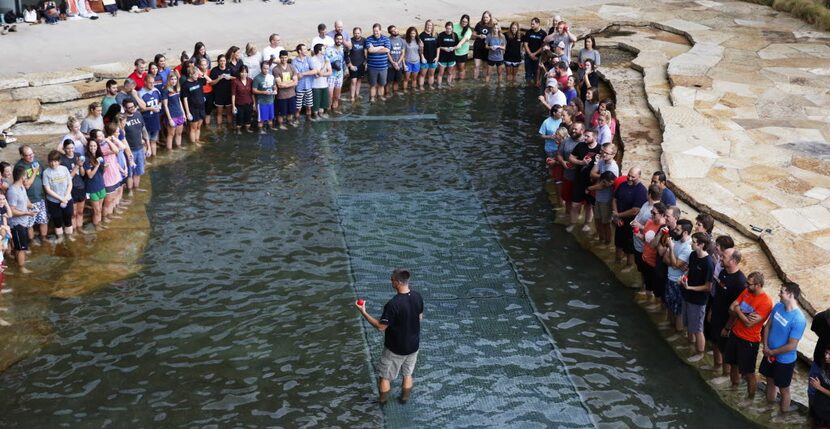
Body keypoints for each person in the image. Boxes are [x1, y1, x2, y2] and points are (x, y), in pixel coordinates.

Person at [356, 268, 424, 405]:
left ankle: (382, 401)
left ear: (398, 282)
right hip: (413, 346)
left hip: (395, 349)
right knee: (407, 374)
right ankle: (404, 399)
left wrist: (363, 312)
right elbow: (419, 317)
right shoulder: (417, 296)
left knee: (384, 377)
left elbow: (381, 327)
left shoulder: (393, 304)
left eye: (392, 279)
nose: (390, 281)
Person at [725, 271, 774, 400]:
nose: (746, 286)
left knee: (749, 373)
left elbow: (748, 324)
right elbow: (731, 308)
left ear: (758, 285)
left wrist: (738, 310)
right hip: (735, 334)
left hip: (749, 340)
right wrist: (742, 314)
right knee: (733, 364)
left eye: (749, 284)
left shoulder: (766, 302)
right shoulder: (747, 292)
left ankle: (750, 398)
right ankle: (733, 388)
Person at [761, 282, 806, 414]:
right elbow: (768, 326)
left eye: (782, 292)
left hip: (785, 360)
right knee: (769, 381)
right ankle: (769, 407)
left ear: (790, 295)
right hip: (769, 353)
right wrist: (765, 347)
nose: (779, 294)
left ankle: (783, 413)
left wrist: (772, 352)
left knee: (784, 389)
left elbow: (792, 345)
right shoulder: (778, 306)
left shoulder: (799, 319)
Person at [681, 232, 714, 362]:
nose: (691, 243)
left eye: (693, 242)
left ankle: (700, 353)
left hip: (698, 300)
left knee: (698, 328)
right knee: (689, 323)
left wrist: (690, 288)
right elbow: (689, 270)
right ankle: (691, 345)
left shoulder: (708, 263)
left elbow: (708, 287)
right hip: (687, 294)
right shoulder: (693, 255)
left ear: (701, 245)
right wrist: (684, 278)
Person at [612, 167, 647, 270]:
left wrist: (619, 215)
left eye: (633, 177)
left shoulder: (641, 190)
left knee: (629, 247)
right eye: (629, 175)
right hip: (620, 219)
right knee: (618, 242)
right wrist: (616, 214)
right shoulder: (623, 184)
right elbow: (614, 198)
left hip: (631, 222)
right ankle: (617, 259)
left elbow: (635, 210)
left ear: (639, 177)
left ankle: (629, 265)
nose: (630, 178)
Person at [568, 129, 600, 231]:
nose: (584, 138)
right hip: (579, 179)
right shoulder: (580, 146)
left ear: (594, 137)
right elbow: (571, 157)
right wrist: (581, 162)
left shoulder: (600, 149)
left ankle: (586, 223)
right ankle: (573, 223)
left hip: (592, 182)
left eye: (587, 136)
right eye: (584, 136)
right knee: (574, 204)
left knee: (589, 205)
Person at [15, 146, 47, 245]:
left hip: (40, 197)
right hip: (28, 200)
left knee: (43, 220)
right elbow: (27, 185)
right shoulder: (20, 167)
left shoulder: (36, 162)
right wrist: (34, 171)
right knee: (30, 223)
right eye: (28, 155)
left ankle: (44, 240)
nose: (31, 156)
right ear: (22, 155)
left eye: (32, 154)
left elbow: (43, 177)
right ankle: (32, 242)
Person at [589, 143, 619, 246]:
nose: (604, 155)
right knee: (597, 219)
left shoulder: (613, 168)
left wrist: (589, 188)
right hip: (599, 197)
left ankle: (607, 242)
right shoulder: (602, 161)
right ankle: (601, 238)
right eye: (603, 152)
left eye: (607, 153)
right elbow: (592, 173)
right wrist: (602, 177)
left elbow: (603, 185)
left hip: (606, 199)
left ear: (613, 154)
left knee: (605, 222)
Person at [42, 149, 74, 242]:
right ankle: (60, 238)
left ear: (59, 161)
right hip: (53, 201)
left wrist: (67, 195)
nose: (53, 163)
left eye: (55, 161)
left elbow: (70, 183)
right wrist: (60, 198)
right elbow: (47, 190)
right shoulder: (46, 172)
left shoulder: (64, 169)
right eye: (51, 161)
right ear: (49, 161)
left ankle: (69, 237)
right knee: (57, 221)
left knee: (68, 219)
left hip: (67, 199)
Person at [7, 165, 34, 273]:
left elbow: (27, 201)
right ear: (22, 177)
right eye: (26, 176)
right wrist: (26, 213)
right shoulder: (13, 191)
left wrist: (32, 207)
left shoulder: (22, 187)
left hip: (23, 222)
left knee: (21, 247)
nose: (27, 178)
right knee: (20, 248)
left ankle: (19, 262)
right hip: (17, 224)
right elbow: (12, 211)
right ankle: (21, 268)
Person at [122, 99, 148, 193]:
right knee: (130, 173)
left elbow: (143, 129)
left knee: (138, 171)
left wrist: (147, 145)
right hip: (129, 150)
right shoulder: (122, 119)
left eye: (133, 107)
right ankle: (130, 192)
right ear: (124, 108)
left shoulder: (138, 114)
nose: (132, 109)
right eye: (129, 108)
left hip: (140, 147)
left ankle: (136, 189)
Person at [59, 139, 85, 232]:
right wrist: (77, 165)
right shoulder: (62, 161)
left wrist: (81, 166)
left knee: (80, 212)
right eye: (68, 148)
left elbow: (82, 174)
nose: (70, 150)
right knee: (73, 213)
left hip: (81, 187)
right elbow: (68, 178)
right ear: (64, 149)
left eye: (72, 148)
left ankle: (80, 229)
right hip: (70, 189)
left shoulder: (78, 155)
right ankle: (74, 231)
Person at [137, 74, 162, 158]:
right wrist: (151, 109)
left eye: (153, 82)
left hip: (155, 120)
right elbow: (139, 109)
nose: (152, 84)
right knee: (145, 141)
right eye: (150, 83)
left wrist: (159, 106)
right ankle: (146, 161)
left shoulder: (156, 91)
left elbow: (160, 101)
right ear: (145, 83)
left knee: (153, 140)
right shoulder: (140, 93)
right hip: (145, 121)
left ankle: (154, 158)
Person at [83, 138, 106, 230]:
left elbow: (102, 172)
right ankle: (97, 227)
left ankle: (98, 225)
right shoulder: (86, 158)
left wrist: (104, 166)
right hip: (91, 188)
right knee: (96, 210)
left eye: (95, 145)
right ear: (88, 147)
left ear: (97, 147)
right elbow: (90, 175)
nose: (93, 147)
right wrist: (97, 165)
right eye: (91, 146)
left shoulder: (100, 156)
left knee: (99, 209)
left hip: (101, 185)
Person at [180, 66, 206, 145]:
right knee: (193, 128)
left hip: (201, 107)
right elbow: (185, 99)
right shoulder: (185, 85)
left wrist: (200, 73)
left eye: (197, 75)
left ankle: (197, 140)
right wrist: (187, 112)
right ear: (190, 74)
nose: (197, 76)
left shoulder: (199, 81)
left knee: (198, 126)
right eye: (195, 75)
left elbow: (205, 80)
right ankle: (193, 143)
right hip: (192, 109)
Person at [209, 55, 236, 130]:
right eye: (221, 61)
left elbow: (237, 78)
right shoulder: (214, 70)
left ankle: (230, 126)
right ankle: (219, 128)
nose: (222, 62)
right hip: (218, 95)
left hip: (228, 94)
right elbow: (211, 83)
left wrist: (230, 77)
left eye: (224, 61)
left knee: (229, 113)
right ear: (218, 62)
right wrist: (219, 78)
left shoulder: (229, 69)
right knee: (219, 113)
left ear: (226, 61)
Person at [366, 23, 391, 102]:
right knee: (372, 85)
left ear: (380, 30)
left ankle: (380, 97)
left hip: (383, 67)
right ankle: (372, 98)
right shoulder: (369, 39)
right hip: (372, 67)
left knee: (382, 84)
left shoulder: (386, 39)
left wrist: (374, 49)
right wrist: (380, 47)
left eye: (377, 31)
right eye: (374, 31)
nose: (375, 33)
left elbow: (387, 50)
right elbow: (370, 50)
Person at [274, 50, 299, 129]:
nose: (284, 59)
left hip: (291, 94)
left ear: (288, 57)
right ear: (279, 58)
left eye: (285, 57)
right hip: (281, 96)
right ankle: (281, 125)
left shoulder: (291, 67)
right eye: (282, 58)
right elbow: (280, 85)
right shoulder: (276, 69)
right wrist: (291, 81)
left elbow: (296, 82)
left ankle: (290, 122)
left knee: (291, 111)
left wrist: (286, 83)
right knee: (281, 113)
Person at [161, 73, 186, 149]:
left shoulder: (177, 88)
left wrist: (184, 114)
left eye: (175, 79)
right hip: (172, 115)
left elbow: (179, 101)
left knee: (179, 133)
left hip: (179, 114)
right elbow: (165, 105)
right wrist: (169, 119)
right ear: (168, 80)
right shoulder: (166, 90)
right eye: (172, 79)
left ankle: (179, 146)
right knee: (171, 134)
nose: (174, 81)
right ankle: (170, 150)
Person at [293, 44, 316, 122]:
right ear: (300, 51)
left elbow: (315, 71)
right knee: (298, 107)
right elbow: (297, 76)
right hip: (299, 87)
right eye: (305, 49)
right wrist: (308, 72)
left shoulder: (308, 59)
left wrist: (303, 73)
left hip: (308, 86)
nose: (306, 51)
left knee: (309, 106)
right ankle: (296, 120)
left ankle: (308, 120)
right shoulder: (294, 61)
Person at [811, 308, 830, 401]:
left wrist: (820, 388)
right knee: (811, 391)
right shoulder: (820, 318)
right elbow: (816, 330)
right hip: (818, 361)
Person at [309, 44, 332, 118]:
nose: (325, 50)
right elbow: (317, 74)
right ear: (319, 51)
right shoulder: (312, 60)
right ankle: (315, 115)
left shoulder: (326, 59)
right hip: (315, 85)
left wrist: (322, 74)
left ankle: (321, 114)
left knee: (323, 103)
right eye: (323, 49)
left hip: (324, 84)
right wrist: (325, 64)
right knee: (316, 103)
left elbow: (330, 72)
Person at [522, 17, 547, 86]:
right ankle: (528, 87)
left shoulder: (543, 33)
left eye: (533, 24)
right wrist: (530, 54)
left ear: (538, 24)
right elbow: (525, 44)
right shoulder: (528, 32)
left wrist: (534, 54)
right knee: (528, 73)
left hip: (538, 56)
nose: (531, 25)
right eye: (531, 24)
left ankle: (536, 86)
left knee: (537, 73)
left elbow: (543, 46)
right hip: (528, 56)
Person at [253, 61, 277, 133]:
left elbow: (274, 86)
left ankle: (270, 128)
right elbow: (254, 90)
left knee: (270, 118)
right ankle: (260, 131)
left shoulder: (271, 77)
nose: (266, 70)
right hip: (261, 102)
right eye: (264, 68)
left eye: (267, 69)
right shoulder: (257, 78)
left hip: (270, 101)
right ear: (261, 68)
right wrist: (263, 92)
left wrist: (275, 91)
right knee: (261, 119)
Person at [231, 65, 254, 134]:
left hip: (249, 103)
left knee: (248, 117)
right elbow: (233, 94)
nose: (244, 74)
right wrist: (233, 106)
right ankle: (238, 130)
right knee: (239, 118)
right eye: (242, 72)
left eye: (245, 72)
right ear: (239, 73)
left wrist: (254, 103)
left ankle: (247, 129)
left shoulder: (250, 80)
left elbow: (252, 93)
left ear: (247, 73)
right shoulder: (235, 81)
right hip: (239, 104)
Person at [810, 349, 830, 428]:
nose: (826, 356)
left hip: (827, 414)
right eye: (826, 352)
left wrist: (819, 387)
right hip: (817, 405)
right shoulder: (825, 364)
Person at [435, 22, 459, 88]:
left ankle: (449, 83)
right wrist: (444, 48)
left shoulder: (455, 35)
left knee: (450, 73)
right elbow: (438, 46)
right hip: (442, 57)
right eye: (447, 29)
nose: (448, 30)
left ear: (452, 29)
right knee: (441, 73)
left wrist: (453, 48)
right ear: (445, 28)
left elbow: (457, 45)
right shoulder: (441, 35)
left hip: (451, 57)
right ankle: (439, 85)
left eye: (450, 29)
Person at [472, 11, 493, 80]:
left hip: (487, 48)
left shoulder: (492, 26)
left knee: (485, 66)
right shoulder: (479, 24)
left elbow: (497, 36)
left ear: (490, 17)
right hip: (478, 47)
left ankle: (484, 82)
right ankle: (475, 80)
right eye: (484, 17)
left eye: (487, 17)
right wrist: (479, 36)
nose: (485, 19)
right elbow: (473, 35)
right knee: (476, 65)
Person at [327, 33, 346, 110]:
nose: (339, 41)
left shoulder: (343, 49)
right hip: (331, 75)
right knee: (329, 96)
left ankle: (334, 112)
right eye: (337, 39)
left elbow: (345, 61)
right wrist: (332, 65)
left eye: (340, 39)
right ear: (334, 39)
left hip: (339, 75)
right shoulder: (328, 49)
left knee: (337, 97)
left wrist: (345, 71)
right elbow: (325, 62)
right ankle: (328, 111)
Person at [347, 27, 367, 101]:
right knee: (353, 81)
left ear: (361, 33)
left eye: (358, 33)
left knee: (359, 80)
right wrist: (350, 64)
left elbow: (366, 51)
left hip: (361, 64)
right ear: (353, 33)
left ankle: (357, 94)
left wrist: (366, 61)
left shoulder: (364, 40)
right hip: (353, 64)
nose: (356, 34)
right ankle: (352, 97)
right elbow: (347, 54)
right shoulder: (350, 41)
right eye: (355, 33)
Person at [417, 21, 438, 90]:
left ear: (432, 26)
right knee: (422, 74)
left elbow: (438, 47)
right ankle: (421, 87)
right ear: (425, 26)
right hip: (425, 59)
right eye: (428, 25)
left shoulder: (434, 35)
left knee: (431, 74)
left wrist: (437, 57)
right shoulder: (422, 35)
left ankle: (430, 86)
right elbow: (420, 48)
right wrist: (422, 57)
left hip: (433, 58)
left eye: (430, 25)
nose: (429, 27)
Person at [386, 25, 406, 96]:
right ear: (390, 32)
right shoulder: (388, 40)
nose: (395, 31)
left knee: (396, 81)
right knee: (388, 82)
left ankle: (395, 93)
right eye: (393, 31)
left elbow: (403, 53)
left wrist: (398, 63)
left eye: (395, 29)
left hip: (399, 65)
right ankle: (387, 94)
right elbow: (388, 53)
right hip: (390, 65)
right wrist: (393, 63)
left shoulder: (402, 40)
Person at [403, 27, 422, 91]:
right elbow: (402, 54)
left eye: (414, 33)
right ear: (409, 33)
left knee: (414, 78)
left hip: (416, 62)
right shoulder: (405, 41)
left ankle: (413, 90)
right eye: (411, 33)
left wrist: (422, 47)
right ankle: (405, 90)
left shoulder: (418, 41)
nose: (413, 35)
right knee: (406, 79)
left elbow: (420, 52)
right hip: (408, 62)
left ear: (416, 33)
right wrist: (404, 64)